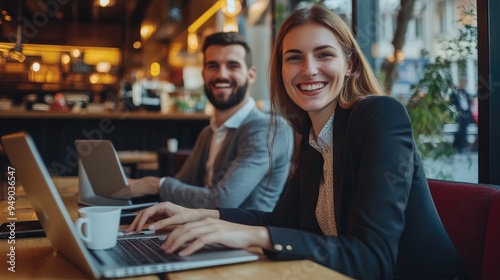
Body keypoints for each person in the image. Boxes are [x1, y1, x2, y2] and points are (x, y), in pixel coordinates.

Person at [126, 6, 466, 279]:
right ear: (281, 69)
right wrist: (198, 214)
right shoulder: (313, 138)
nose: (309, 69)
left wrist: (252, 236)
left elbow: (371, 259)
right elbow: (279, 223)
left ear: (349, 64)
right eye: (294, 58)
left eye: (324, 55)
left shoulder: (380, 116)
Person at [128, 32, 294, 211]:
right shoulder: (208, 133)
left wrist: (154, 185)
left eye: (233, 66)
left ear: (251, 75)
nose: (221, 74)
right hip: (198, 231)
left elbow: (222, 202)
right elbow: (178, 188)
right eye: (212, 66)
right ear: (204, 74)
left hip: (244, 236)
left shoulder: (269, 129)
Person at [450, 76, 474, 155]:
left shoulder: (466, 94)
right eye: (461, 83)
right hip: (459, 115)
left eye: (464, 83)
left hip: (466, 115)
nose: (463, 84)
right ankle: (459, 147)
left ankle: (462, 147)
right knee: (460, 131)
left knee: (464, 131)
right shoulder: (455, 93)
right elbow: (453, 103)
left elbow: (468, 104)